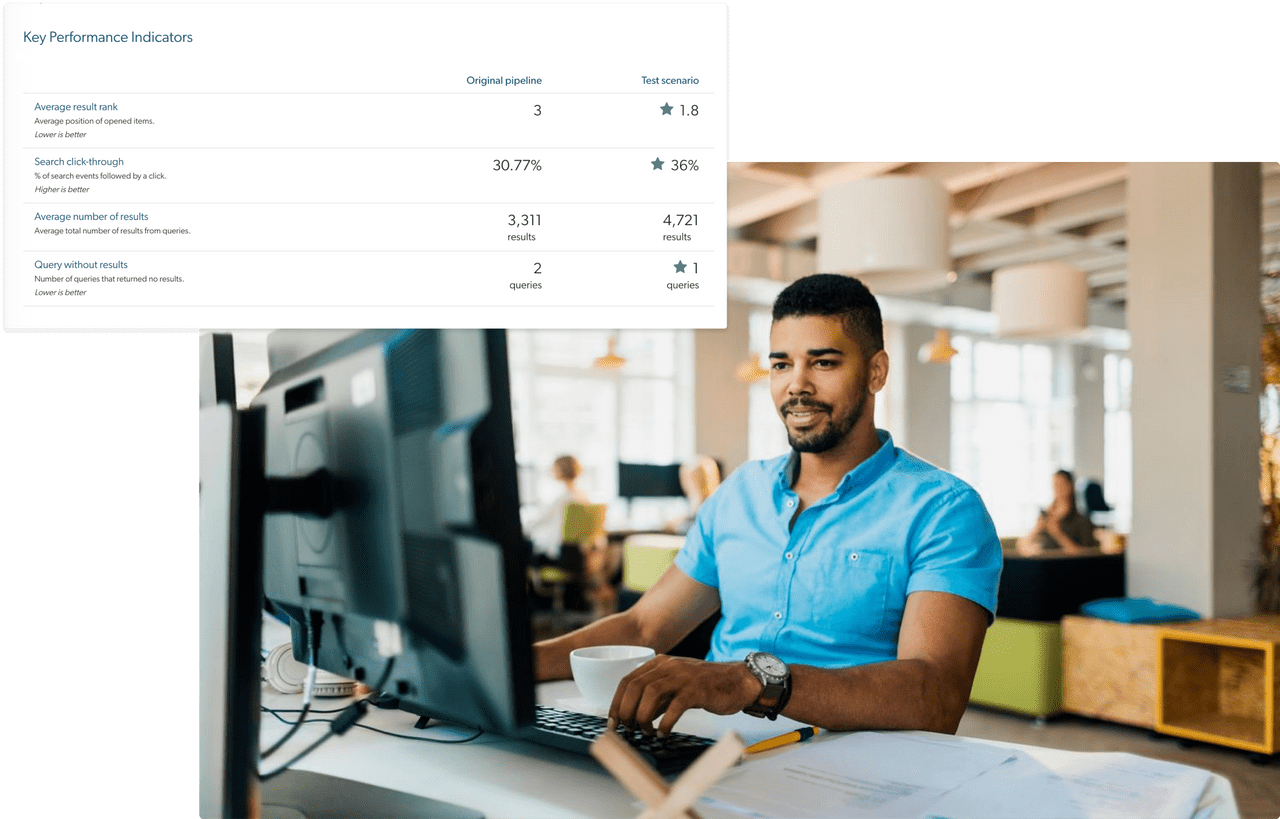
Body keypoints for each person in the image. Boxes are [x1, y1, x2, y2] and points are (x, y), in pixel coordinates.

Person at [534, 273, 1002, 738]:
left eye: (823, 363)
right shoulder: (740, 494)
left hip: (854, 764)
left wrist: (750, 681)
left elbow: (936, 696)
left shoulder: (943, 511)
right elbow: (642, 627)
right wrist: (517, 662)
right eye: (781, 365)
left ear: (876, 371)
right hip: (710, 744)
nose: (797, 386)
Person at [1015, 469, 1100, 555]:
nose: (1058, 489)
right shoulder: (1045, 516)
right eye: (1055, 485)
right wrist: (1036, 529)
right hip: (1043, 564)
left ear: (1071, 486)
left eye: (1061, 485)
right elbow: (1021, 546)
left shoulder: (1082, 520)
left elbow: (1085, 555)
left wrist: (1057, 533)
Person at [522, 455, 591, 561]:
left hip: (562, 557)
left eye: (554, 468)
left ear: (560, 470)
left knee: (526, 549)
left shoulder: (563, 499)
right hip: (579, 554)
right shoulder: (583, 496)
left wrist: (522, 528)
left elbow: (539, 521)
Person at [662, 454, 722, 535]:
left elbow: (698, 529)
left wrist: (677, 525)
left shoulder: (709, 507)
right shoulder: (709, 503)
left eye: (685, 479)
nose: (683, 483)